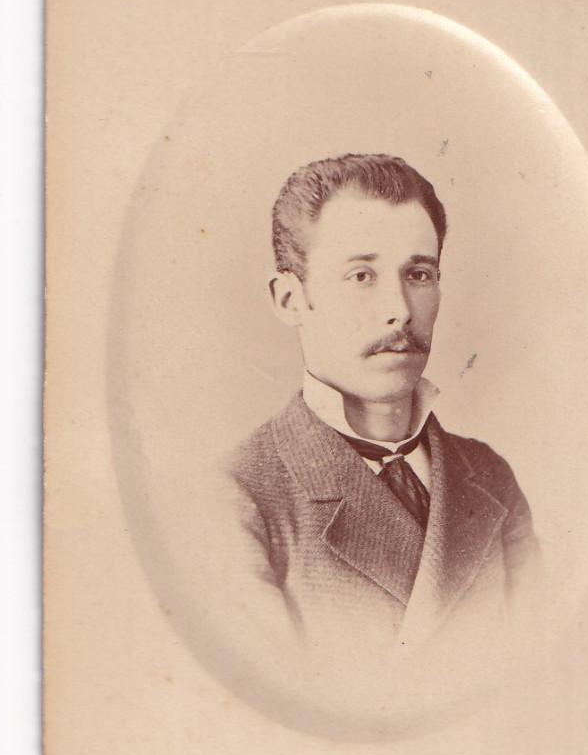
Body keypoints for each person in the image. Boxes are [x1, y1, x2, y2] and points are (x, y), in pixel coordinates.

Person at [229, 153, 538, 657]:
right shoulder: (239, 498)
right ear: (290, 300)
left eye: (418, 274)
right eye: (361, 276)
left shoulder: (488, 477)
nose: (399, 311)